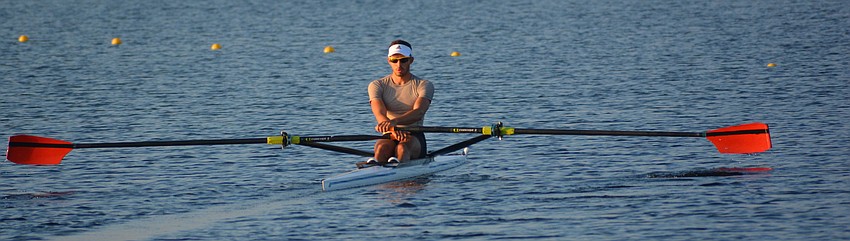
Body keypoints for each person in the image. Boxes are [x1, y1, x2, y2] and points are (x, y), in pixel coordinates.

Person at [367, 39, 434, 164]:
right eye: (394, 60)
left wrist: (395, 122)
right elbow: (379, 113)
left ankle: (400, 178)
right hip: (389, 134)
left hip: (414, 135)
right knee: (381, 148)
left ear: (411, 60)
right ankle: (381, 176)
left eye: (403, 60)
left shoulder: (424, 85)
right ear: (389, 61)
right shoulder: (377, 85)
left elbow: (418, 112)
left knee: (402, 148)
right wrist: (393, 129)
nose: (399, 65)